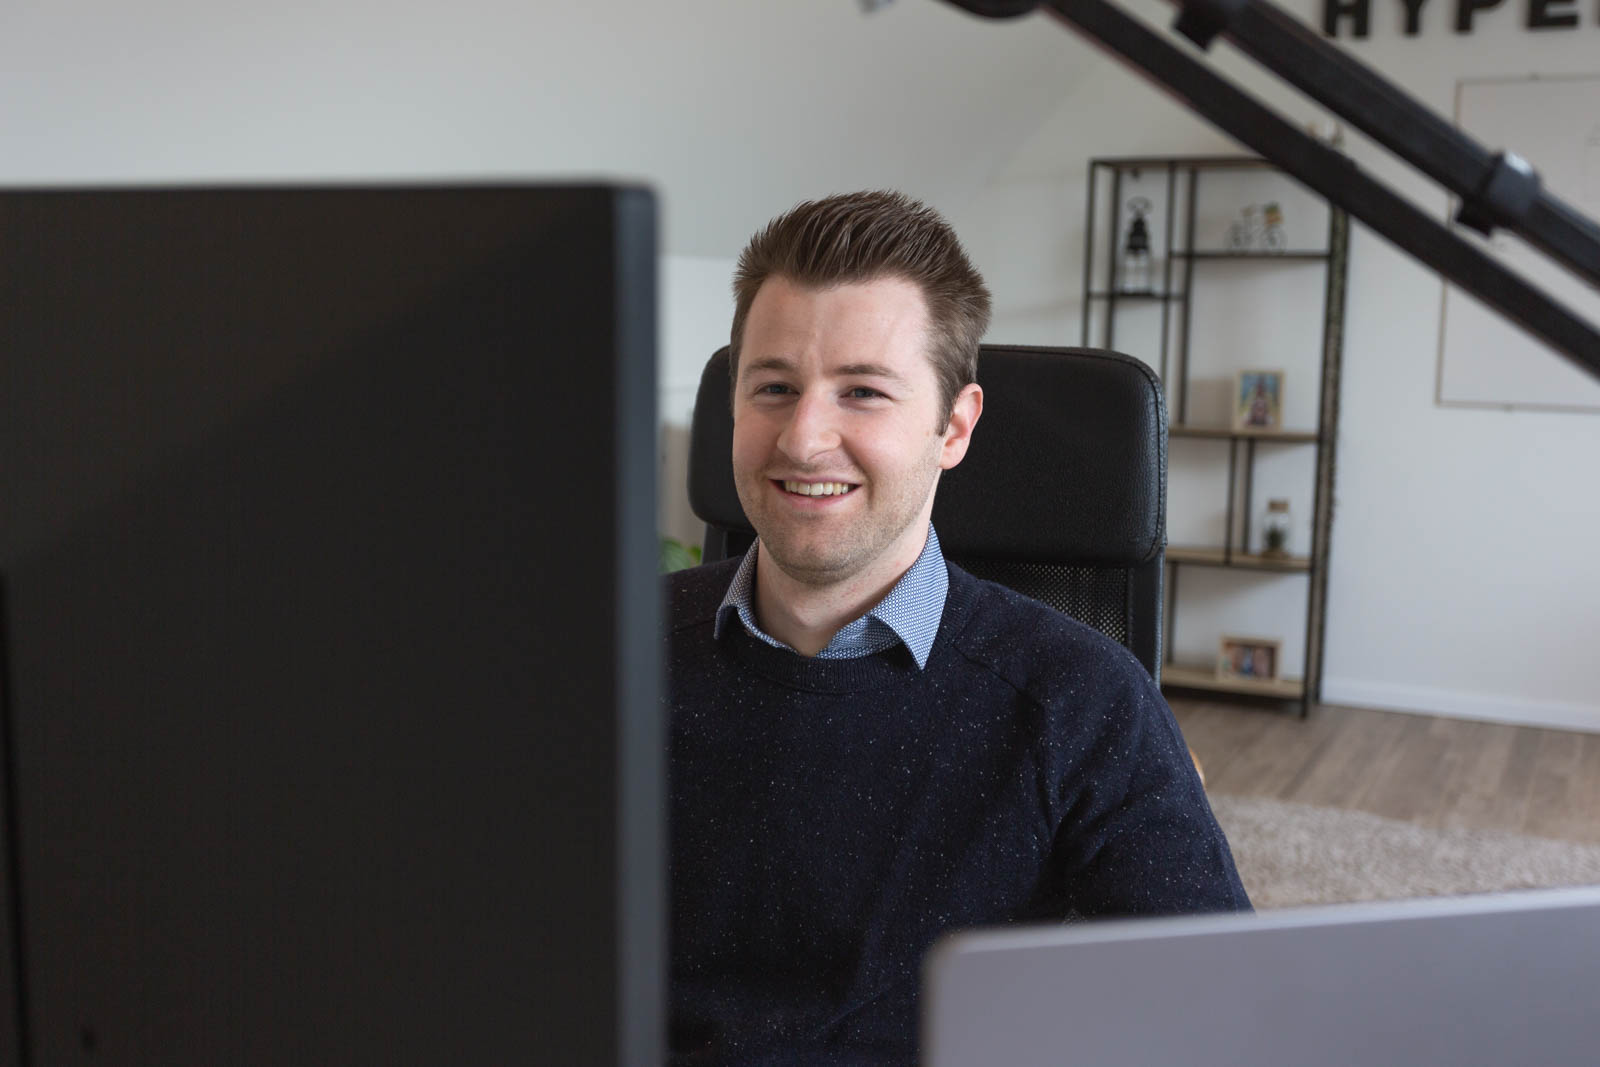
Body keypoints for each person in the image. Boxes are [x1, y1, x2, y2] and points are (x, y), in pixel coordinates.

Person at [666, 191, 1249, 1065]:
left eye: (863, 392)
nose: (803, 437)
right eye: (774, 388)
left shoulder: (1080, 701)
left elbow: (1225, 1014)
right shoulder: (615, 652)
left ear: (955, 426)